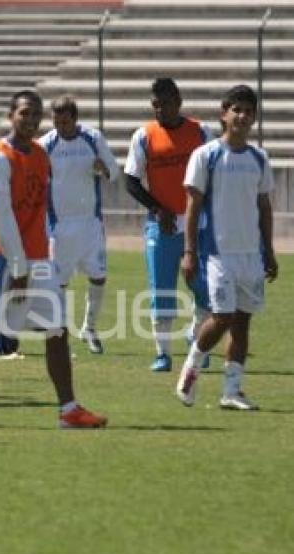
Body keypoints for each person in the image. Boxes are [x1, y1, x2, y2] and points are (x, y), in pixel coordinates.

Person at [0, 90, 107, 429]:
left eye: (35, 115)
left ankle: (69, 409)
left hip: (37, 256)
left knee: (57, 329)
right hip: (2, 257)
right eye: (24, 114)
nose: (30, 121)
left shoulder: (39, 155)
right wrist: (18, 266)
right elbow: (1, 217)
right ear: (10, 116)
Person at [176, 85, 277, 411]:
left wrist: (269, 250)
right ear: (224, 113)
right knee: (221, 316)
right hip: (217, 253)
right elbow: (192, 205)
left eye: (249, 111)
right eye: (237, 110)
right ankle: (191, 367)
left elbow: (264, 207)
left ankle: (232, 390)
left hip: (251, 254)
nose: (243, 116)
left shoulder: (259, 159)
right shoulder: (206, 155)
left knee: (243, 321)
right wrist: (189, 251)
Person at [124, 78, 212, 372]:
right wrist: (157, 209)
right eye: (155, 105)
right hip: (160, 226)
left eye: (165, 104)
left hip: (197, 224)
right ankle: (162, 353)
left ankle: (195, 337)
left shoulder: (201, 133)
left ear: (179, 102)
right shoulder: (144, 136)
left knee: (205, 288)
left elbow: (215, 174)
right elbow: (131, 181)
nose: (160, 110)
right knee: (162, 290)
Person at [39, 95, 119, 354]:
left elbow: (115, 171)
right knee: (59, 282)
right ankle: (60, 333)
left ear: (75, 119)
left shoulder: (93, 139)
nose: (60, 127)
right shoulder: (46, 145)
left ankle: (89, 328)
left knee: (98, 276)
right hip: (59, 225)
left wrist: (103, 168)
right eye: (56, 122)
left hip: (90, 224)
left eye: (65, 122)